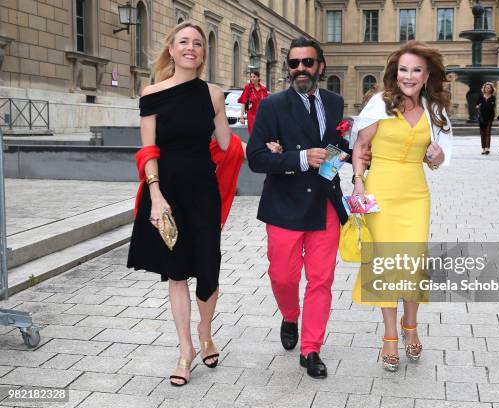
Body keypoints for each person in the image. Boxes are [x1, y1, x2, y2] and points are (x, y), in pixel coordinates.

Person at [127, 22, 240, 387]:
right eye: (184, 42)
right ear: (172, 50)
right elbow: (148, 150)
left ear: (202, 53)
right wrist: (155, 195)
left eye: (198, 43)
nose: (191, 48)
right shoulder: (152, 93)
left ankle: (206, 331)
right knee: (176, 274)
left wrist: (262, 140)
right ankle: (186, 350)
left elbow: (226, 144)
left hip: (203, 191)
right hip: (167, 190)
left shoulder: (213, 94)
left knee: (209, 268)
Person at [246, 37, 356, 379]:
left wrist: (335, 161)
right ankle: (290, 314)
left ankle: (311, 348)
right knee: (283, 276)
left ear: (320, 66)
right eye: (294, 64)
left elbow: (339, 149)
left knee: (321, 279)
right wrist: (299, 158)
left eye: (307, 63)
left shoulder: (335, 103)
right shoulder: (272, 106)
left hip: (324, 203)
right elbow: (256, 158)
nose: (300, 70)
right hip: (284, 205)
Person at [350, 40, 451, 372]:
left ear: (426, 75)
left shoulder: (434, 110)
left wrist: (437, 158)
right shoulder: (381, 103)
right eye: (403, 69)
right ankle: (391, 334)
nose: (409, 76)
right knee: (384, 266)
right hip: (381, 193)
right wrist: (359, 181)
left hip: (415, 194)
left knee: (411, 264)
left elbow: (436, 156)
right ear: (395, 73)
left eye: (416, 70)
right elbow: (361, 148)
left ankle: (412, 325)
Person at [476, 82, 496, 155]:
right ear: (484, 88)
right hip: (481, 117)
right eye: (486, 87)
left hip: (489, 117)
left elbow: (491, 107)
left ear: (491, 89)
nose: (487, 89)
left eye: (489, 88)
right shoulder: (480, 96)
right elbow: (477, 105)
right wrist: (478, 106)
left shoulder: (493, 97)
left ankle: (487, 148)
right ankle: (483, 148)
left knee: (488, 133)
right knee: (482, 133)